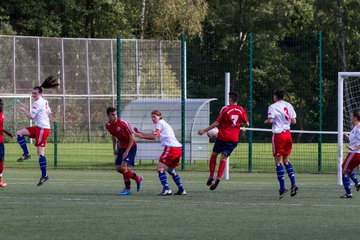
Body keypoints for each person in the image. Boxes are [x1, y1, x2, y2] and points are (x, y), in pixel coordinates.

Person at [198, 91, 249, 190]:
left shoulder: (225, 109)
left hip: (222, 137)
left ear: (230, 99)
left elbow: (217, 123)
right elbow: (247, 124)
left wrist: (204, 130)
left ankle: (211, 176)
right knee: (223, 158)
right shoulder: (242, 110)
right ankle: (218, 178)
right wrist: (238, 124)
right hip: (233, 139)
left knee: (214, 155)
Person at [15, 75, 59, 186]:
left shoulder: (37, 102)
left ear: (40, 93)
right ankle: (26, 153)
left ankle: (44, 175)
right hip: (40, 127)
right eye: (32, 93)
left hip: (42, 129)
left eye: (35, 93)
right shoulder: (44, 101)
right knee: (19, 133)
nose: (33, 95)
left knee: (40, 153)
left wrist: (25, 110)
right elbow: (48, 112)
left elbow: (31, 117)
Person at [134, 110, 186, 196]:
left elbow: (154, 137)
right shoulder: (163, 123)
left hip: (171, 148)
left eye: (154, 116)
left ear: (159, 116)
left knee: (160, 168)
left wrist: (139, 136)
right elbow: (152, 134)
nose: (153, 119)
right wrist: (140, 133)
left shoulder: (159, 123)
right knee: (170, 170)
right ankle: (181, 189)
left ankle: (167, 189)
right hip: (178, 148)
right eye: (152, 117)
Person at [264, 89, 298, 199]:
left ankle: (282, 187)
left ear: (275, 96)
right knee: (286, 161)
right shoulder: (289, 105)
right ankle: (293, 184)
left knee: (278, 163)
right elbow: (294, 122)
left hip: (279, 135)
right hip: (288, 135)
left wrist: (266, 121)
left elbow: (270, 120)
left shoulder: (272, 107)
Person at [105, 107, 143, 195]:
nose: (115, 116)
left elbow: (132, 138)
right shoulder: (108, 126)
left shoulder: (123, 123)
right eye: (112, 115)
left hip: (131, 147)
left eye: (115, 114)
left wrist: (127, 151)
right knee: (119, 169)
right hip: (122, 147)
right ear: (108, 116)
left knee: (123, 167)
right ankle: (138, 178)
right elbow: (113, 136)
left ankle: (128, 188)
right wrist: (114, 148)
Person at [340, 110, 360, 198]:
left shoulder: (358, 127)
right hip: (354, 153)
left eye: (351, 116)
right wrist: (348, 137)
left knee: (344, 170)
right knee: (348, 169)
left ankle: (348, 193)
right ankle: (357, 183)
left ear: (355, 118)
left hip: (355, 154)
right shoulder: (355, 128)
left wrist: (355, 148)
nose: (350, 118)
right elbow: (355, 141)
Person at [0, 99, 13, 187]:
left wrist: (6, 132)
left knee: (1, 158)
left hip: (0, 139)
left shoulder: (1, 114)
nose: (2, 106)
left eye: (2, 104)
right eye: (0, 104)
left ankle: (0, 177)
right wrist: (7, 132)